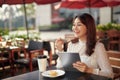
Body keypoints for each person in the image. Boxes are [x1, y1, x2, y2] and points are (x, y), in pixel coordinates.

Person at [55, 13, 113, 78]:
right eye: (74, 25)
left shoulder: (98, 46)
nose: (75, 28)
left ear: (88, 27)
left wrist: (89, 70)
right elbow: (59, 67)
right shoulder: (71, 45)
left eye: (79, 25)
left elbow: (110, 74)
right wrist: (60, 50)